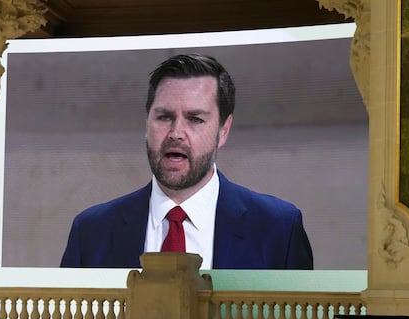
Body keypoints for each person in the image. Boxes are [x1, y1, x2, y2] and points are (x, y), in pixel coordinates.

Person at [60, 53, 313, 270]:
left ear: (223, 130)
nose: (176, 133)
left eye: (195, 119)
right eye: (164, 117)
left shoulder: (279, 229)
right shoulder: (91, 231)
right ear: (146, 123)